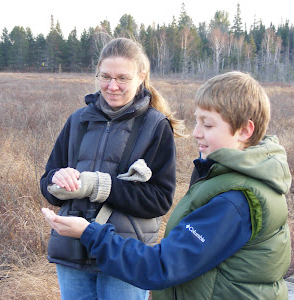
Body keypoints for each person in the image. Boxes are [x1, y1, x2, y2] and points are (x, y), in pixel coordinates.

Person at [42, 71, 292, 299]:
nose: (196, 132)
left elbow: (162, 266)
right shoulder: (232, 178)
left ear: (245, 130)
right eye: (197, 121)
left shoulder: (235, 200)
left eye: (208, 124)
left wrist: (88, 232)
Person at [40, 37, 185, 300]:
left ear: (141, 77)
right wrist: (56, 180)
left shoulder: (155, 126)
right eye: (105, 76)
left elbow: (160, 200)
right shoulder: (78, 121)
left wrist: (98, 185)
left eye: (122, 78)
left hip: (126, 257)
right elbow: (47, 185)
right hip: (73, 253)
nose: (112, 86)